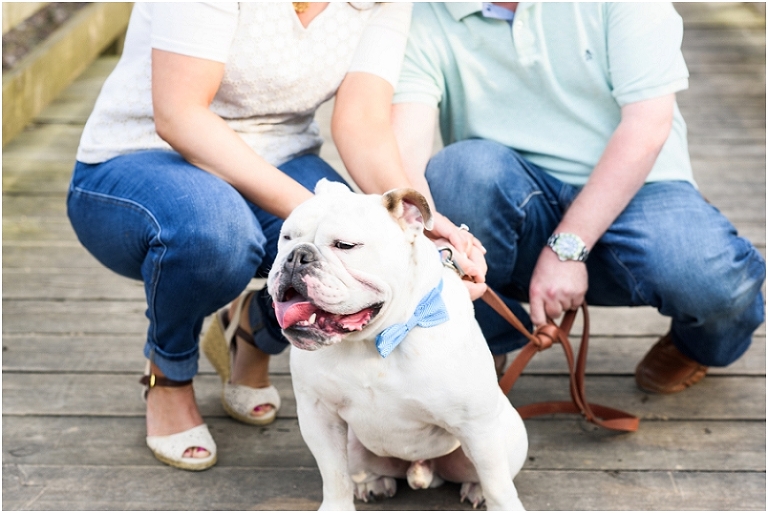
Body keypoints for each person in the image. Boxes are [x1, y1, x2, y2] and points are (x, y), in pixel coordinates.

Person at [66, 2, 415, 471]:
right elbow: (180, 115)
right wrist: (313, 213)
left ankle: (253, 328)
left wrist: (425, 226)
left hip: (279, 154)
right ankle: (167, 376)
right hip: (139, 154)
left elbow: (363, 123)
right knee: (220, 237)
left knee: (356, 254)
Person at [380, 2, 766, 394]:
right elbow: (405, 151)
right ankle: (482, 343)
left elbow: (647, 125)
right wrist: (425, 231)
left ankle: (693, 346)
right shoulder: (424, 12)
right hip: (514, 197)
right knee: (454, 174)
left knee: (714, 283)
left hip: (643, 187)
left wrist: (569, 247)